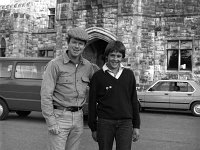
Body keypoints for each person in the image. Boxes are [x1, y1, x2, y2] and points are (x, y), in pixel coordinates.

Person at [41, 27, 95, 150]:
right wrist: (51, 121)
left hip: (78, 118)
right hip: (59, 117)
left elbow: (98, 87)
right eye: (74, 42)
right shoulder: (55, 64)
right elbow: (46, 95)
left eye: (80, 44)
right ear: (68, 43)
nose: (77, 46)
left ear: (84, 46)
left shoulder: (88, 66)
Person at [88, 40, 140, 150]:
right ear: (106, 56)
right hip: (104, 123)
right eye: (112, 55)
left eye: (118, 56)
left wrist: (136, 126)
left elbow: (134, 101)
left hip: (125, 124)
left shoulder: (129, 75)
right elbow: (92, 103)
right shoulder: (98, 76)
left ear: (122, 57)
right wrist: (93, 128)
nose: (115, 59)